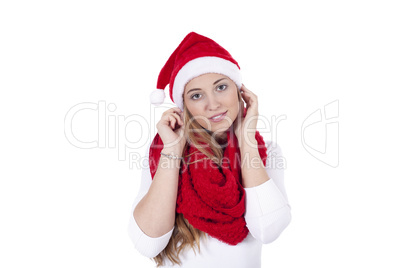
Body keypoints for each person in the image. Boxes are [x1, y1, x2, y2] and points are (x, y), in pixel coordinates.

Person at [127, 32, 291, 268]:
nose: (213, 104)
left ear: (239, 91)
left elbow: (269, 229)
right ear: (185, 107)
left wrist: (246, 141)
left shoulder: (266, 151)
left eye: (221, 87)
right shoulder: (163, 152)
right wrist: (173, 151)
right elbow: (148, 244)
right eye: (196, 95)